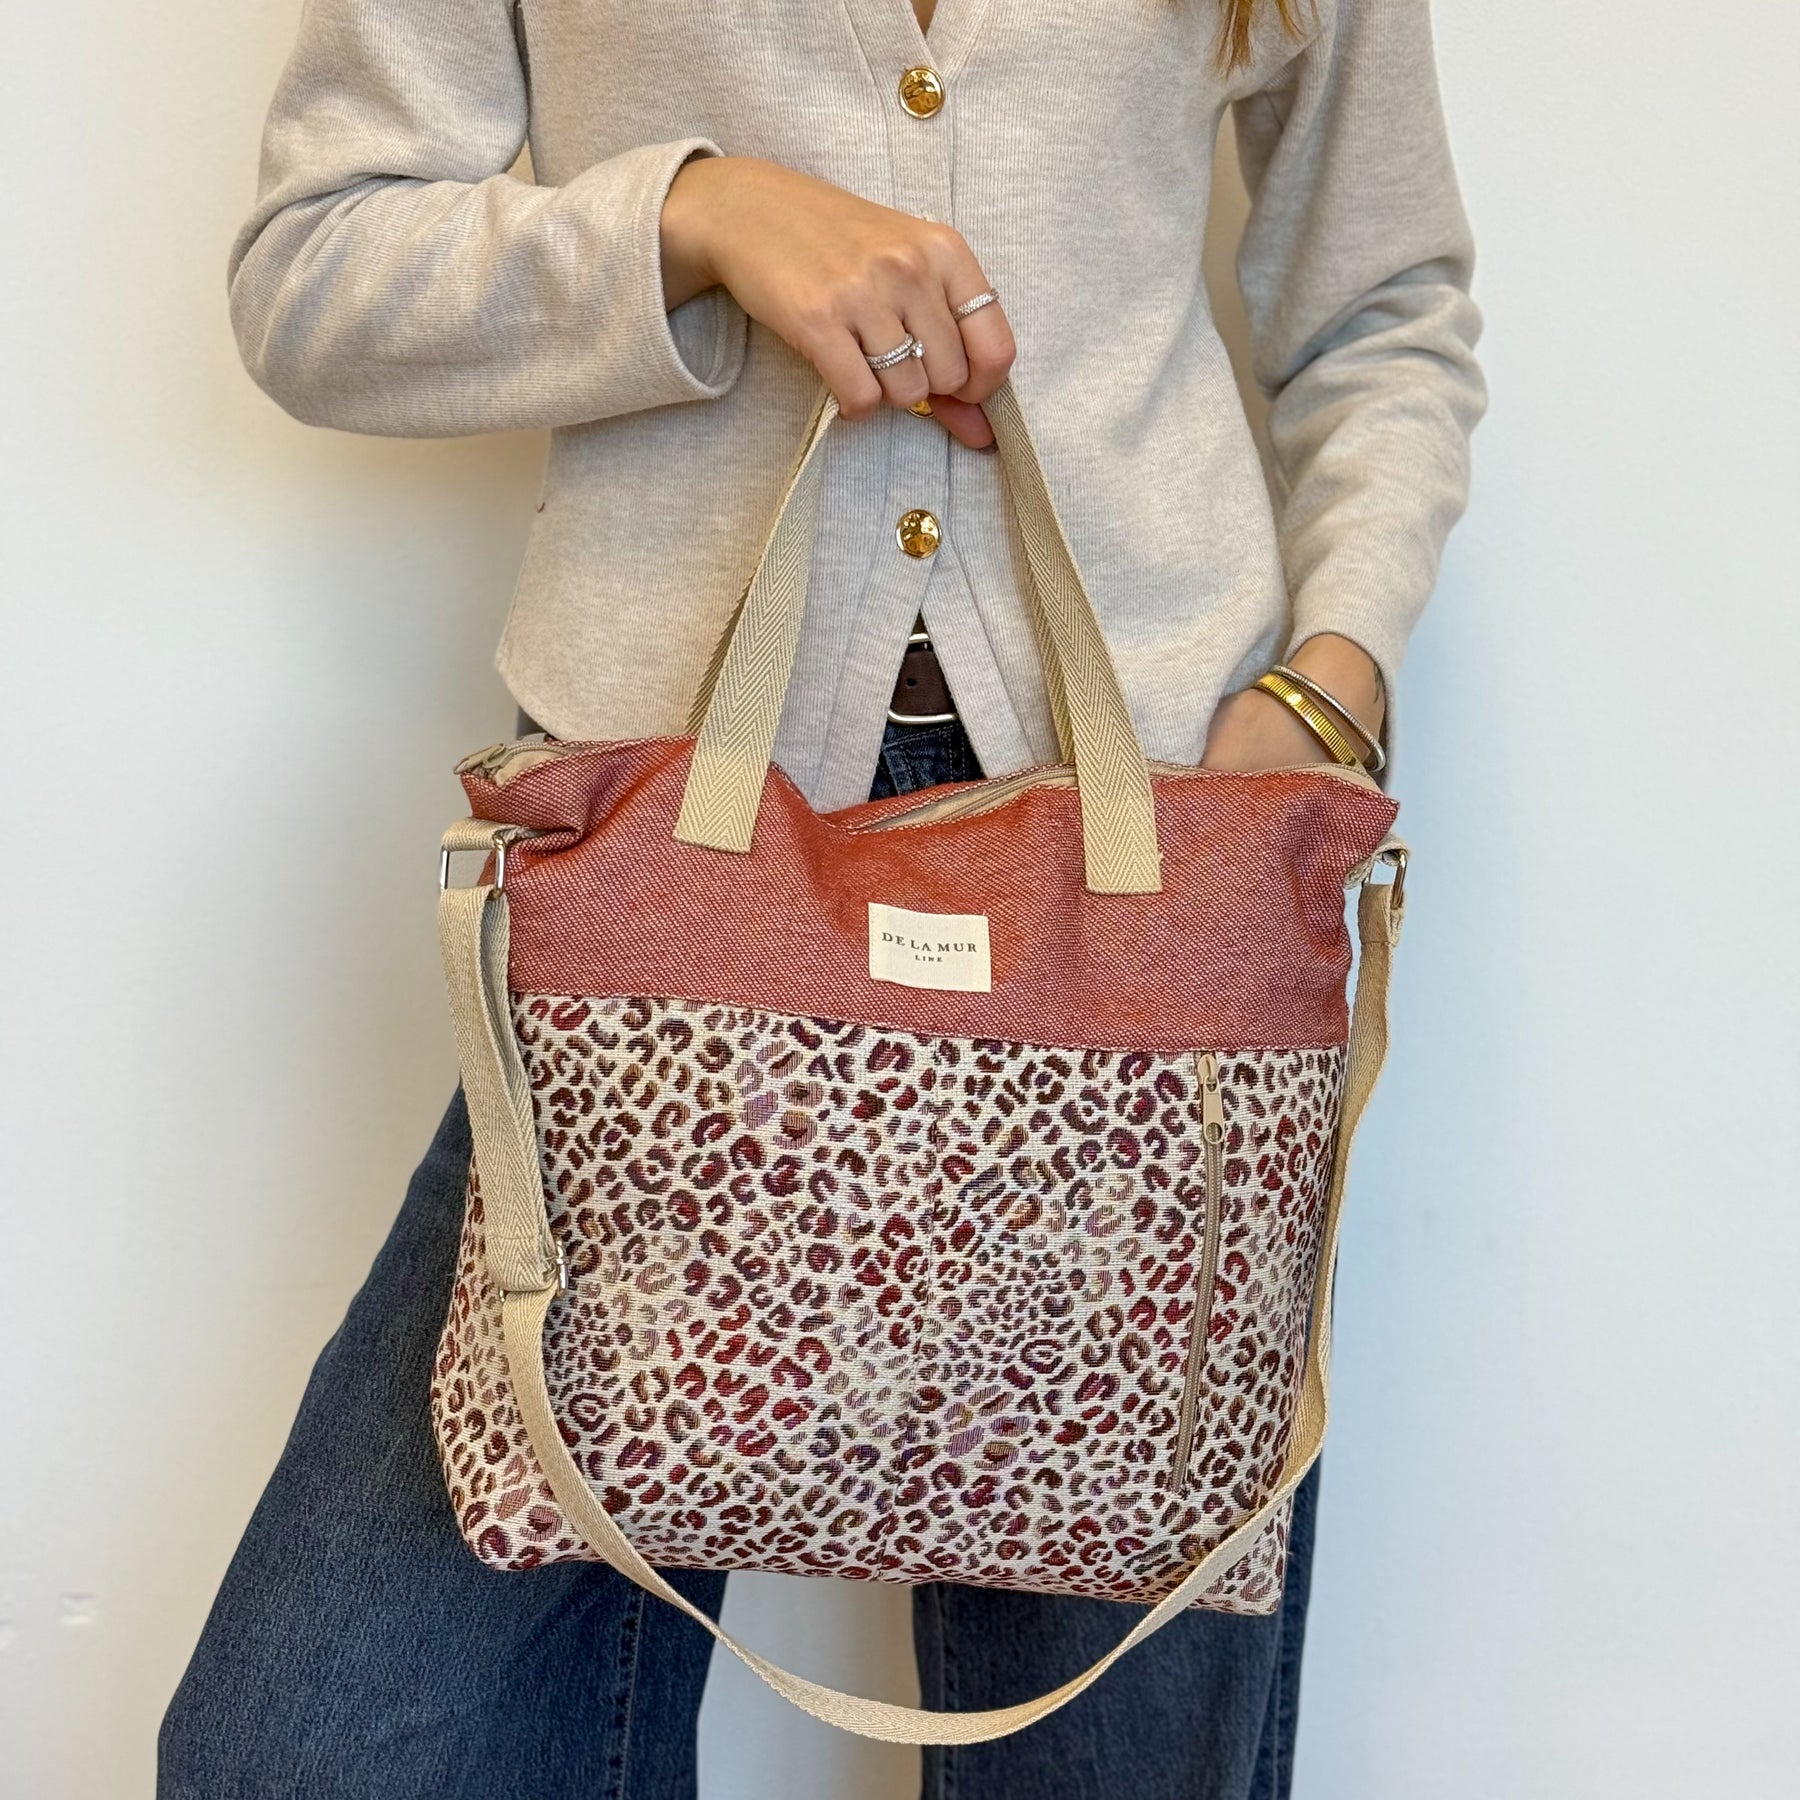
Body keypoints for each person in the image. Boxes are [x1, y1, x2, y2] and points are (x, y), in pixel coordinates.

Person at [161, 1, 1484, 1795]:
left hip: (1162, 874)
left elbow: (1385, 309)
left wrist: (1331, 680)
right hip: (658, 890)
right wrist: (696, 216)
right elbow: (315, 277)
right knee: (320, 1749)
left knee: (1115, 1756)